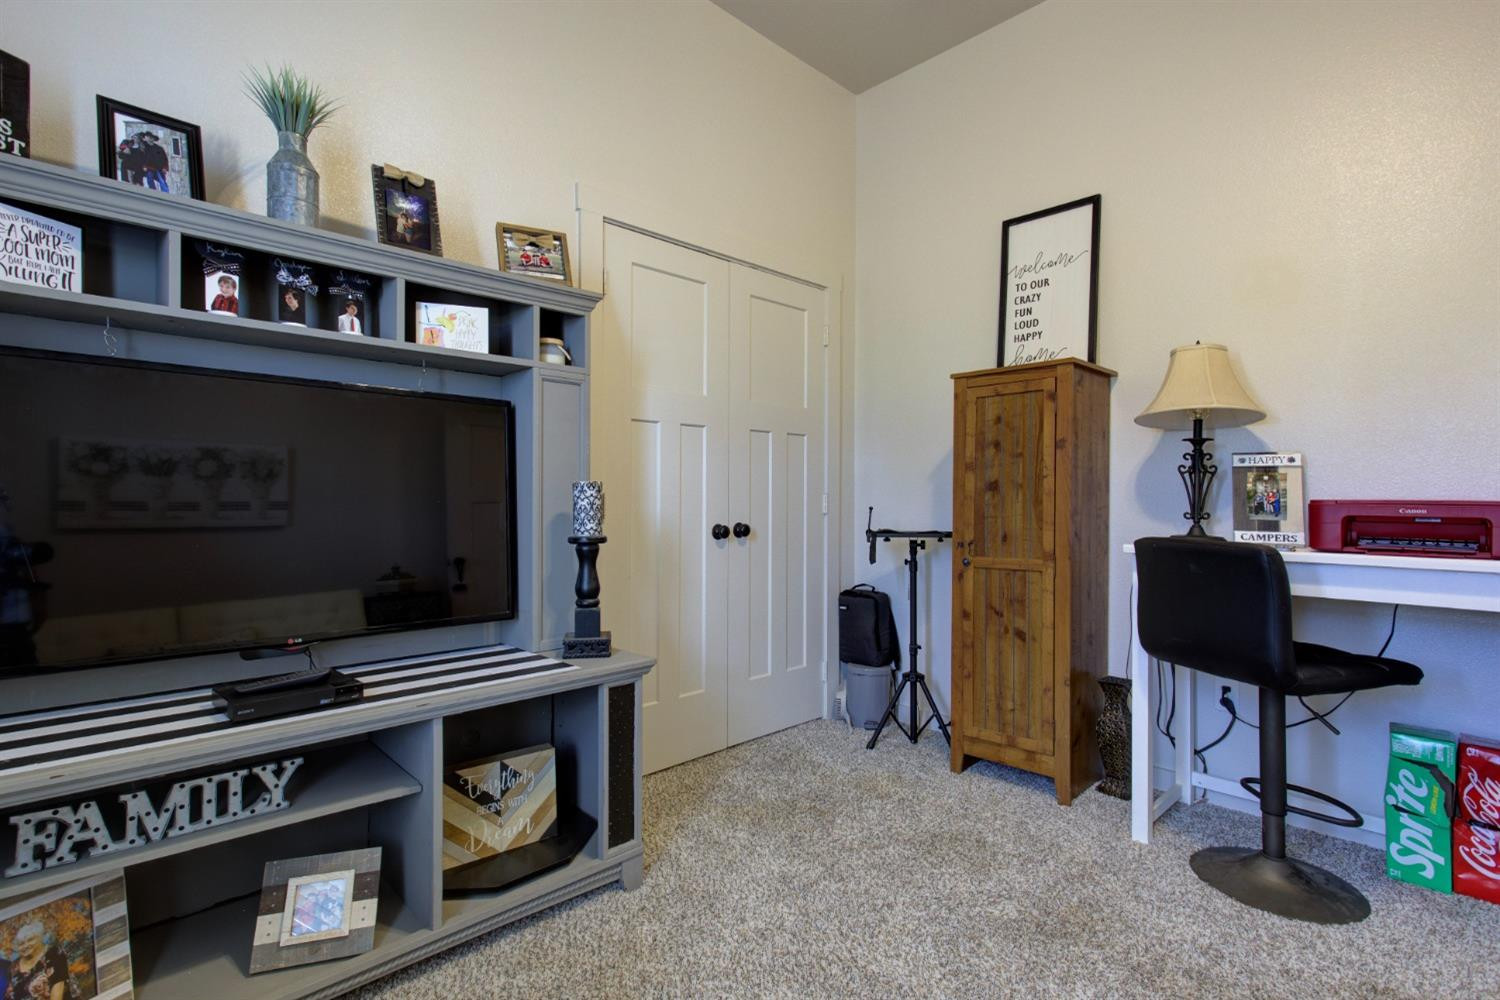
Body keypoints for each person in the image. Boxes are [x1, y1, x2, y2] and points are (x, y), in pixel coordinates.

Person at [5, 920, 80, 1000]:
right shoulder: (13, 967)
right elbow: (10, 995)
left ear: (39, 938)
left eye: (30, 940)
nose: (26, 945)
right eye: (21, 944)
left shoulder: (54, 954)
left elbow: (57, 995)